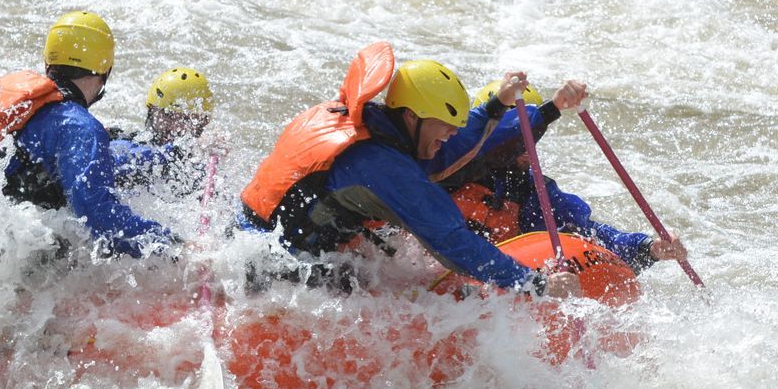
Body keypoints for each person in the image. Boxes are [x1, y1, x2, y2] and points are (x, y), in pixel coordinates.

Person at [239, 42, 580, 296]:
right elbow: (452, 241)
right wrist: (536, 283)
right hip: (273, 269)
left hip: (250, 239)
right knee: (358, 283)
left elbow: (460, 141)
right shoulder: (382, 166)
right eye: (446, 125)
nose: (450, 134)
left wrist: (523, 107)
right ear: (412, 117)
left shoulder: (371, 125)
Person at [0, 11, 177, 258]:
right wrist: (172, 244)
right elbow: (100, 217)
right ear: (105, 68)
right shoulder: (79, 127)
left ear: (49, 63)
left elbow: (110, 159)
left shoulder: (26, 109)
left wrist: (168, 155)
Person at [435, 77, 688, 273]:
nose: (526, 149)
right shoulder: (447, 169)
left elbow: (590, 235)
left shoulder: (533, 190)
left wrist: (649, 248)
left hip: (491, 286)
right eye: (517, 140)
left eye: (531, 139)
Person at [109, 66, 215, 192]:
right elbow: (115, 158)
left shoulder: (201, 169)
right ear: (152, 111)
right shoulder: (127, 145)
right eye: (168, 114)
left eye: (187, 119)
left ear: (203, 122)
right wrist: (182, 148)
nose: (176, 126)